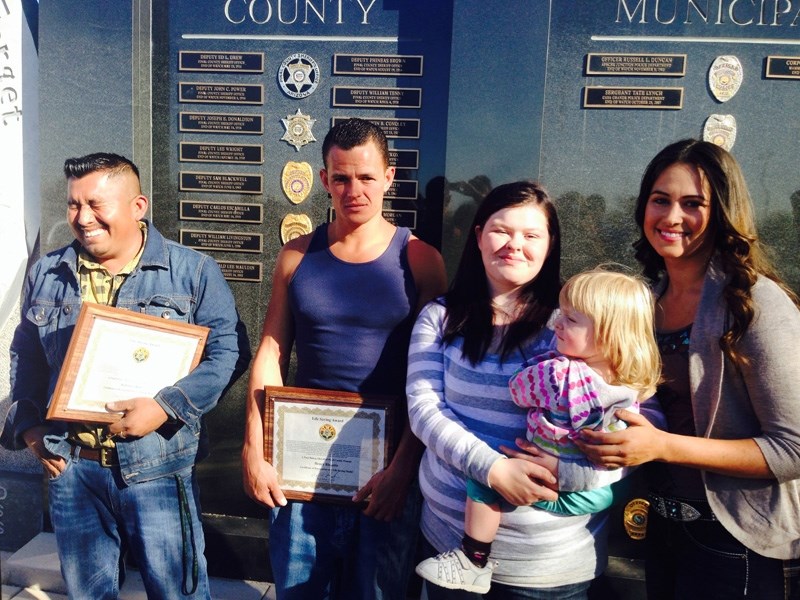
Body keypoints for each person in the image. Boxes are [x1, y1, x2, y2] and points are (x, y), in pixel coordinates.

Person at [0, 153, 250, 599]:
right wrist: (31, 427)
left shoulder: (191, 271)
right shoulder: (47, 272)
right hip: (74, 468)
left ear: (138, 206)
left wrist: (164, 407)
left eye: (96, 204)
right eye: (74, 205)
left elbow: (227, 352)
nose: (83, 218)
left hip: (157, 468)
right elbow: (27, 353)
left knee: (178, 593)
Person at [407, 180, 664, 599]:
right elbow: (424, 408)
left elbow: (640, 413)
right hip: (448, 543)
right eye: (501, 230)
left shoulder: (579, 323)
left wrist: (574, 469)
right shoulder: (440, 317)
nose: (514, 245)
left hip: (550, 566)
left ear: (550, 244)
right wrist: (492, 470)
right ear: (477, 235)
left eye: (531, 235)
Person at [577, 139, 800, 599]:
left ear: (722, 213)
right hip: (658, 528)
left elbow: (792, 447)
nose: (672, 217)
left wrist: (661, 446)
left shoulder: (756, 304)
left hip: (736, 541)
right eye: (661, 200)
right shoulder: (646, 301)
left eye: (693, 203)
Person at [241, 118, 447, 599]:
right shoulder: (296, 256)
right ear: (323, 179)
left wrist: (403, 468)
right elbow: (270, 351)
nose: (354, 189)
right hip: (299, 469)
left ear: (390, 176)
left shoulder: (420, 260)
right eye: (341, 177)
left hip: (386, 473)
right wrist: (254, 447)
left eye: (367, 177)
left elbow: (432, 379)